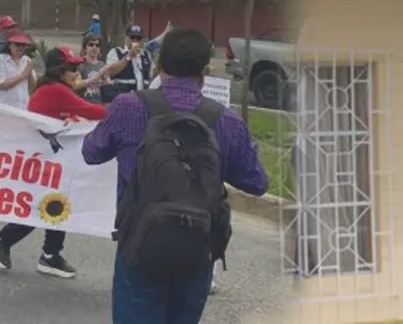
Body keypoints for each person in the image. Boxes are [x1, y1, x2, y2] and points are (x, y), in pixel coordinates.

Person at [83, 27, 268, 323]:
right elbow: (258, 183)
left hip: (139, 247)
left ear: (160, 65)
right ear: (204, 71)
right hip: (198, 251)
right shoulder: (226, 121)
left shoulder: (128, 107)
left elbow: (90, 153)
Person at [0, 46, 107, 278]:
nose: (76, 72)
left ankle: (50, 255)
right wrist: (122, 110)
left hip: (50, 157)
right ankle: (5, 239)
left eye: (77, 67)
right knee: (47, 205)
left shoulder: (54, 88)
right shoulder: (55, 90)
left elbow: (69, 114)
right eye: (72, 68)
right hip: (44, 159)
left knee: (58, 203)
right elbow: (90, 110)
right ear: (59, 70)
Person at [101, 24, 170, 102]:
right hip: (122, 98)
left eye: (138, 38)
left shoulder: (146, 55)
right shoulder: (116, 52)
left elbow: (152, 76)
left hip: (143, 99)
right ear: (126, 38)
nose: (135, 40)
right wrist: (128, 57)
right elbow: (111, 72)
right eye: (132, 37)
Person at [0, 30, 36, 109]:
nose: (21, 48)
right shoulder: (0, 59)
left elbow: (33, 87)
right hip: (5, 107)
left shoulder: (27, 60)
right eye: (18, 44)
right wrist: (22, 75)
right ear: (9, 44)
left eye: (24, 45)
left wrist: (30, 72)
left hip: (23, 107)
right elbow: (1, 85)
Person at [76, 33, 108, 102]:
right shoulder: (80, 64)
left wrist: (106, 81)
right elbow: (76, 84)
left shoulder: (102, 64)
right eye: (91, 44)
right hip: (84, 104)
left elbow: (107, 83)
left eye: (97, 45)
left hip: (99, 103)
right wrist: (95, 78)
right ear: (85, 48)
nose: (94, 47)